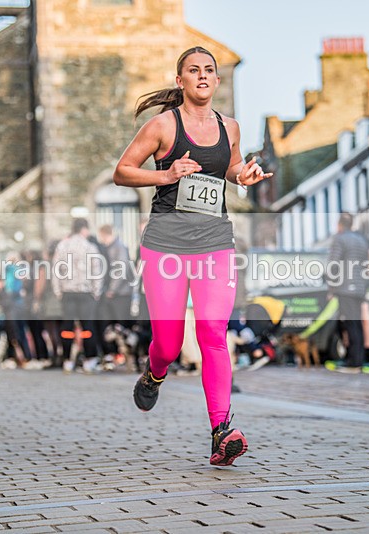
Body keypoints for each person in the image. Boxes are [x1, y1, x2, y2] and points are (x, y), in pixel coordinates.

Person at [114, 46, 271, 466]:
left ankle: (221, 431)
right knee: (167, 341)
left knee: (212, 334)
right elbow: (122, 170)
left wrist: (244, 175)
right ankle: (155, 372)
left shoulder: (230, 126)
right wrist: (165, 175)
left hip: (214, 241)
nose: (202, 76)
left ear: (217, 81)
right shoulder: (163, 126)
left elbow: (232, 167)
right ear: (180, 80)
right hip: (165, 243)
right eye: (193, 70)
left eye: (209, 70)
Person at [52, 218, 103, 371]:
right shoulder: (90, 247)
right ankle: (89, 359)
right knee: (87, 326)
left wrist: (58, 290)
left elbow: (56, 270)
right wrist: (97, 291)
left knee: (67, 327)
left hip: (67, 292)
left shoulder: (62, 246)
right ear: (84, 229)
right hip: (86, 292)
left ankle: (67, 360)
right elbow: (97, 270)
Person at [326, 213, 369, 374]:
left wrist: (331, 287)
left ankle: (353, 362)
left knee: (349, 324)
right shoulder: (362, 240)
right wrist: (365, 286)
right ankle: (357, 359)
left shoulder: (340, 239)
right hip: (359, 288)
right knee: (355, 324)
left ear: (339, 224)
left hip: (345, 287)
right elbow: (367, 265)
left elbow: (333, 264)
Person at [97, 225, 132, 359]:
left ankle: (126, 355)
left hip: (121, 294)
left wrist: (112, 289)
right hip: (115, 293)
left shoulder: (119, 247)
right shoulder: (110, 248)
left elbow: (120, 269)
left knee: (121, 326)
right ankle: (116, 354)